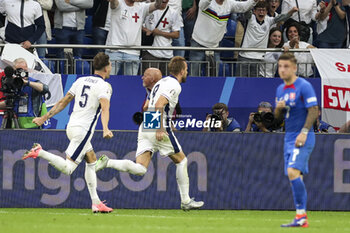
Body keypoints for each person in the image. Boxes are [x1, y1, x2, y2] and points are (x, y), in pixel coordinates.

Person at [96, 56, 204, 210]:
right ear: (181, 71)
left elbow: (147, 106)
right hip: (159, 124)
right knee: (182, 161)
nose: (187, 72)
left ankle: (108, 162)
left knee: (140, 168)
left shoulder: (162, 82)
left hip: (147, 123)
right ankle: (186, 201)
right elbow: (159, 103)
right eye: (186, 70)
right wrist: (160, 128)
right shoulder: (174, 84)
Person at [22, 52, 114, 213]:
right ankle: (40, 152)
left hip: (71, 126)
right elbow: (105, 108)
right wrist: (106, 128)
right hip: (83, 131)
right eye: (111, 65)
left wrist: (44, 117)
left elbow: (63, 102)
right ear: (106, 68)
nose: (111, 67)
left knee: (91, 161)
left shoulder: (81, 80)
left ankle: (96, 202)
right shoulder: (104, 86)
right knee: (68, 168)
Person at [275, 52, 318, 227]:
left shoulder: (304, 86)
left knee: (293, 171)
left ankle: (301, 216)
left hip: (303, 136)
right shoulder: (280, 89)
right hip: (289, 136)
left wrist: (305, 132)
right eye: (280, 66)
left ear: (294, 68)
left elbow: (314, 110)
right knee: (294, 175)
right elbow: (278, 119)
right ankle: (300, 216)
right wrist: (278, 109)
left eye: (286, 66)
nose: (282, 70)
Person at [189, 0, 258, 76]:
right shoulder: (206, 2)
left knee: (214, 80)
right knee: (193, 76)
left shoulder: (229, 4)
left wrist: (254, 1)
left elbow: (243, 7)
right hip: (198, 45)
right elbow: (202, 4)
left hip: (215, 48)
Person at [105, 0, 169, 75]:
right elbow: (113, 3)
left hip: (133, 53)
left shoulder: (142, 7)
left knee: (131, 85)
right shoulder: (118, 3)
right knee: (110, 81)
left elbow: (157, 5)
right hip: (114, 50)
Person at [237, 1, 297, 77]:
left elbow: (281, 17)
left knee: (253, 84)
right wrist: (252, 2)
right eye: (259, 10)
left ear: (266, 12)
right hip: (244, 56)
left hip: (258, 58)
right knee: (239, 82)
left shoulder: (269, 20)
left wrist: (291, 12)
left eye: (263, 10)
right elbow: (246, 9)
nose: (261, 12)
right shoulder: (250, 18)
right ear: (254, 11)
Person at [0, 58, 50, 129]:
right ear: (14, 71)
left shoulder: (33, 83)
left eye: (24, 70)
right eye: (19, 70)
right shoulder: (13, 84)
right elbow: (10, 103)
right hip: (16, 126)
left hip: (32, 126)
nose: (22, 73)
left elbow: (45, 89)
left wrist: (26, 82)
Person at [142, 3, 182, 75]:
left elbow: (177, 34)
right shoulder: (148, 8)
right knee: (149, 80)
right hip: (150, 52)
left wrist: (160, 32)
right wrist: (146, 30)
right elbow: (137, 23)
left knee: (165, 82)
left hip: (167, 54)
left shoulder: (173, 12)